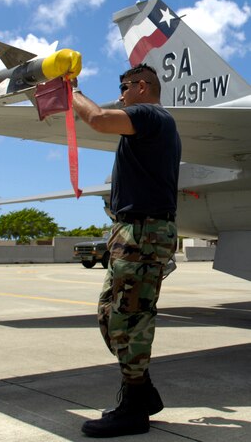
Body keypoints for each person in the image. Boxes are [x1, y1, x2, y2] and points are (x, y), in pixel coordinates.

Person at [71, 63, 181, 437]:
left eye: (124, 87)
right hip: (131, 231)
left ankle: (134, 409)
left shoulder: (149, 114)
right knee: (111, 315)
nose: (120, 95)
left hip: (144, 232)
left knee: (132, 319)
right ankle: (142, 391)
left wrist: (70, 91)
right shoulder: (149, 123)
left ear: (142, 87)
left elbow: (98, 119)